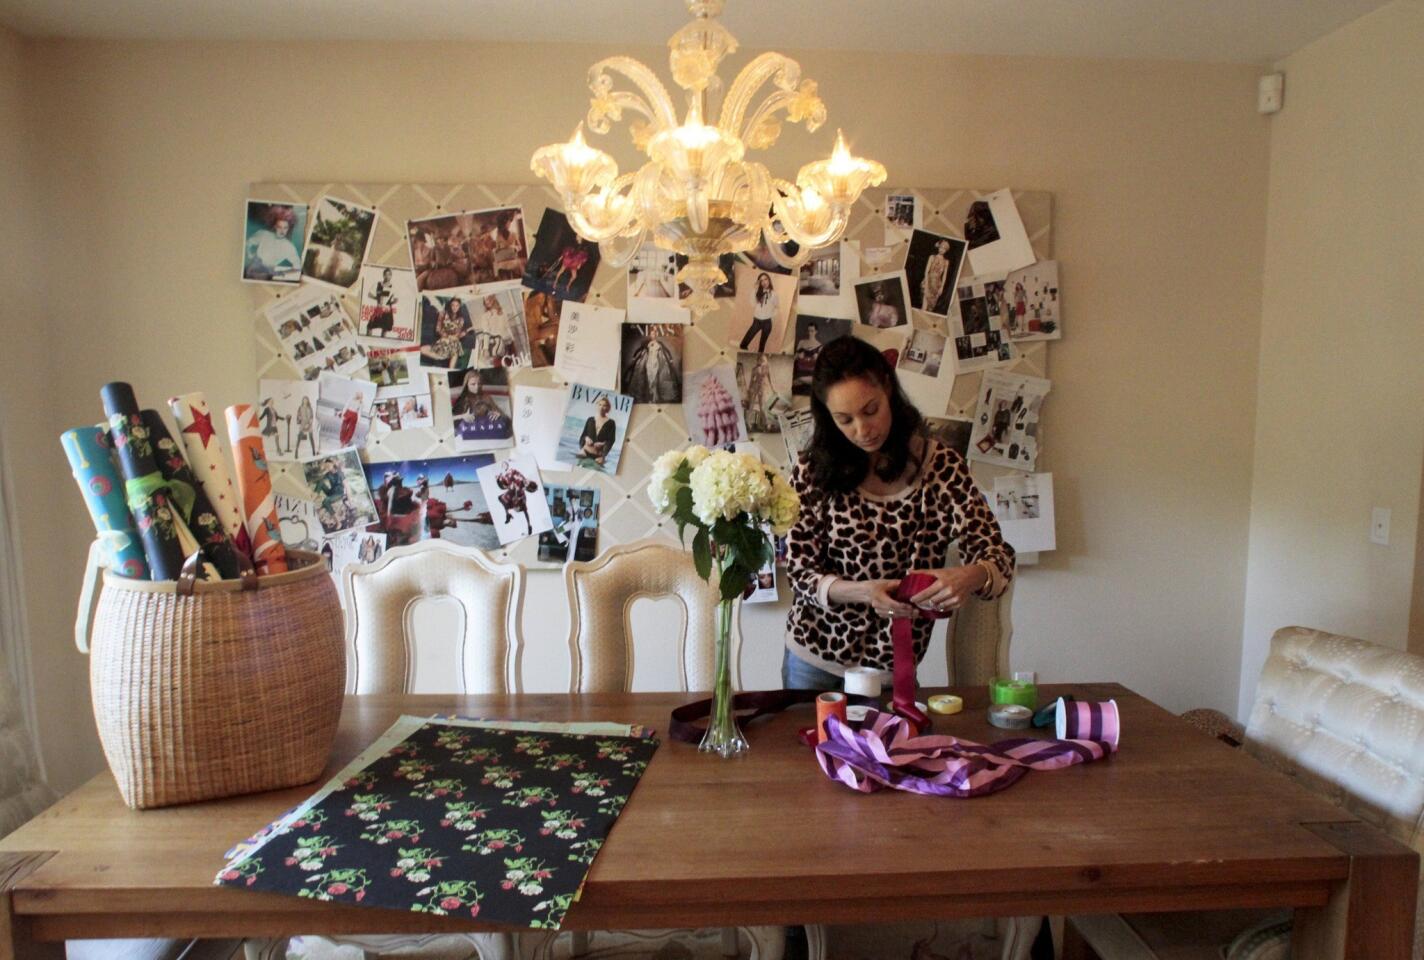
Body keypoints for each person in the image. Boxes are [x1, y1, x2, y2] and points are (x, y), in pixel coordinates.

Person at [781, 336, 1015, 691]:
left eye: (870, 410)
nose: (862, 430)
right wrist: (864, 592)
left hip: (894, 670)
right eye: (844, 419)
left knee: (899, 748)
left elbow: (999, 557)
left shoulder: (942, 468)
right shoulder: (813, 469)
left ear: (888, 388)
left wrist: (967, 576)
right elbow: (800, 573)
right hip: (814, 663)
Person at [244, 205, 301, 281]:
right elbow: (248, 243)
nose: (282, 231)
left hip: (266, 275)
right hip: (251, 270)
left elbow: (297, 268)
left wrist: (280, 273)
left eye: (285, 228)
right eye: (279, 227)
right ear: (275, 226)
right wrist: (250, 254)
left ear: (289, 228)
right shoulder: (264, 234)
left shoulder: (289, 247)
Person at [739, 272, 779, 352]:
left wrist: (771, 315)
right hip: (757, 321)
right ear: (759, 283)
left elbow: (776, 306)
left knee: (762, 346)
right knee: (744, 343)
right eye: (761, 281)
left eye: (765, 279)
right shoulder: (757, 292)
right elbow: (752, 304)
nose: (764, 282)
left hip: (767, 322)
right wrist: (755, 289)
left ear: (769, 280)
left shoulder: (774, 294)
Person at [577, 395, 617, 467]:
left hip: (598, 457)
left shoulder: (611, 423)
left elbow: (611, 440)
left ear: (608, 408)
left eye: (604, 405)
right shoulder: (590, 420)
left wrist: (603, 454)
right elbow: (583, 435)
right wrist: (586, 439)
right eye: (600, 404)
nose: (601, 407)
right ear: (597, 405)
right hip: (584, 452)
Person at [919, 238, 954, 314]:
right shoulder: (932, 257)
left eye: (944, 248)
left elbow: (944, 276)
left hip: (937, 285)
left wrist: (941, 287)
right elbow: (926, 271)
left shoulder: (946, 262)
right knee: (924, 306)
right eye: (941, 247)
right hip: (928, 281)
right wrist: (927, 285)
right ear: (938, 247)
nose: (941, 249)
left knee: (930, 308)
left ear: (946, 250)